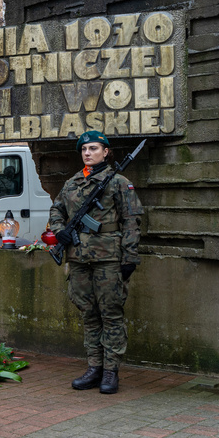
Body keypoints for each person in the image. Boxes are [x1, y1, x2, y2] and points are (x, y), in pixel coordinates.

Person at [49, 131, 143, 394]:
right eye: (84, 149)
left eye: (93, 148)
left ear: (106, 152)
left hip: (108, 259)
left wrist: (130, 258)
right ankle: (94, 367)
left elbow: (132, 222)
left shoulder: (119, 182)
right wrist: (60, 232)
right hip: (78, 258)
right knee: (88, 314)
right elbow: (57, 209)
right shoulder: (72, 183)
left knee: (111, 314)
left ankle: (111, 372)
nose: (87, 153)